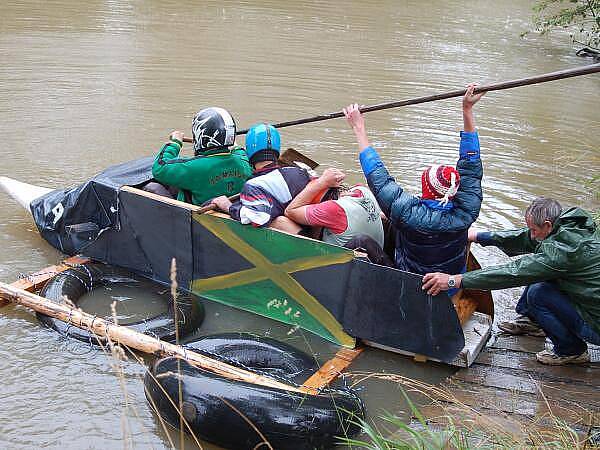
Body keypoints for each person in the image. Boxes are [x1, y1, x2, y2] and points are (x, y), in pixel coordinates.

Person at [422, 197, 600, 365]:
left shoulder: (562, 254)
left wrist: (454, 280)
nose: (531, 235)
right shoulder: (572, 226)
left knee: (538, 292)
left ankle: (571, 350)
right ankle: (533, 322)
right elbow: (524, 238)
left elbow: (512, 273)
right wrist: (479, 236)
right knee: (541, 275)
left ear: (547, 225)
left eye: (534, 230)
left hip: (595, 326)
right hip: (589, 302)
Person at [342, 84, 485, 277]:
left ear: (426, 189)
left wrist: (358, 128)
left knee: (359, 241)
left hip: (413, 279)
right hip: (450, 278)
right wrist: (467, 110)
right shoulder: (468, 208)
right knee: (391, 219)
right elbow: (470, 163)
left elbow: (378, 177)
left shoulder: (408, 213)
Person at [212, 123, 311, 234]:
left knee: (278, 221)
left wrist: (228, 206)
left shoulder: (254, 185)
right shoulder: (301, 172)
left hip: (300, 238)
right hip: (309, 228)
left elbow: (258, 218)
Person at [284, 167, 393, 266]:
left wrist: (321, 182)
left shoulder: (334, 209)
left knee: (281, 222)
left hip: (345, 267)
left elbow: (290, 211)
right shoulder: (363, 190)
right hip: (376, 252)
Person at [151, 107, 252, 205]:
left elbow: (159, 167)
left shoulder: (194, 167)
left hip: (198, 213)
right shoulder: (244, 161)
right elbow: (240, 151)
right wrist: (234, 146)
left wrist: (175, 143)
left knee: (152, 187)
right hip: (230, 206)